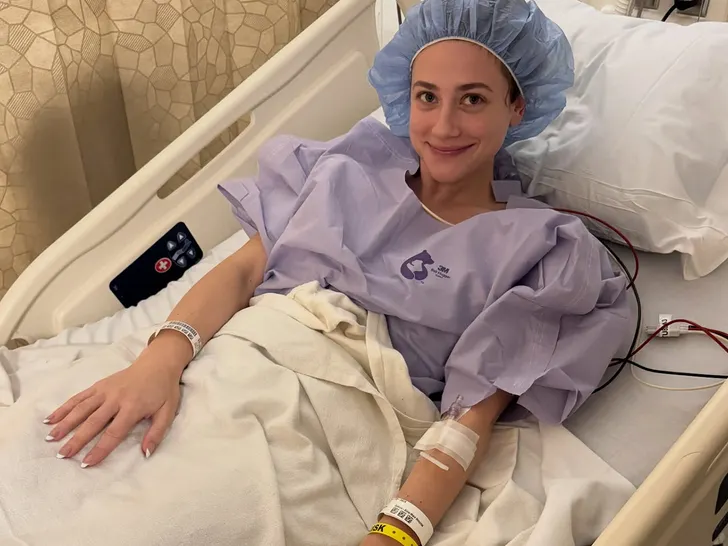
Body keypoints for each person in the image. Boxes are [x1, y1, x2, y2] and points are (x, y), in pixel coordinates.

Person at [41, 0, 633, 543]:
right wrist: (158, 362)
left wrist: (397, 533)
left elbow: (470, 416)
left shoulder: (539, 249)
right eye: (427, 96)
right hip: (235, 362)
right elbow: (245, 271)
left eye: (473, 99)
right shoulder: (350, 166)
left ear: (517, 105)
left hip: (333, 424)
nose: (444, 126)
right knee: (59, 479)